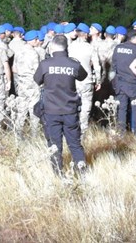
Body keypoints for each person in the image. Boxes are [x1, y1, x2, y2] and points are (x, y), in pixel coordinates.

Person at [34, 35, 90, 175]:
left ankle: (58, 174)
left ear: (52, 46)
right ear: (67, 47)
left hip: (51, 111)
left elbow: (37, 80)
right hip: (70, 110)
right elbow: (83, 76)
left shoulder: (45, 64)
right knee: (75, 144)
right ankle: (82, 172)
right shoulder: (74, 64)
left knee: (54, 145)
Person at [67, 23, 101, 132]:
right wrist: (98, 81)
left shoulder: (70, 46)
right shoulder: (90, 48)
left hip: (71, 81)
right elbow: (97, 66)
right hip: (86, 81)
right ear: (86, 35)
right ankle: (83, 130)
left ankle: (71, 129)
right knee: (86, 107)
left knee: (72, 106)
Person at [111, 27, 136, 132]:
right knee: (135, 109)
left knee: (122, 109)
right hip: (133, 83)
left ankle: (121, 132)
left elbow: (114, 65)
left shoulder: (118, 48)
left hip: (120, 83)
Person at [12, 29, 43, 132]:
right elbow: (37, 70)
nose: (37, 41)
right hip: (32, 83)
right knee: (34, 108)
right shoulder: (34, 53)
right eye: (36, 39)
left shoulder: (19, 51)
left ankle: (18, 132)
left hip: (21, 82)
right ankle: (34, 133)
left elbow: (14, 69)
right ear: (33, 40)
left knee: (21, 109)